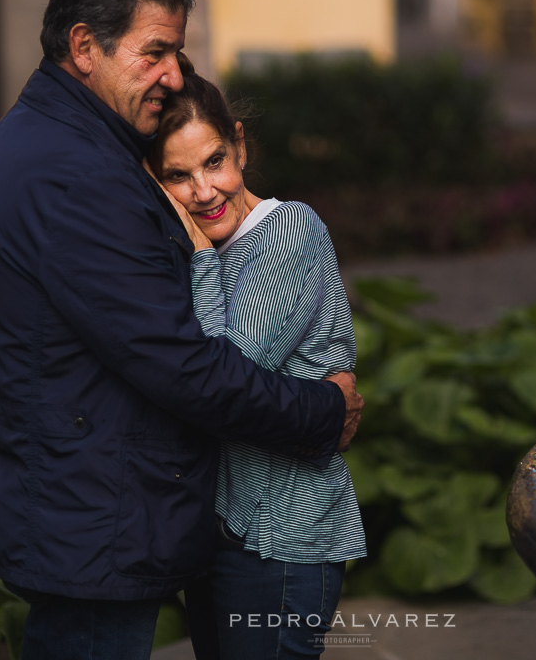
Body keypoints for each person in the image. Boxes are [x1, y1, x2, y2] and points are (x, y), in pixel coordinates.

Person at [0, 0, 362, 660]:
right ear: (84, 45)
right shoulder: (77, 173)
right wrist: (324, 412)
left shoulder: (35, 142)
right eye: (155, 53)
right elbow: (182, 365)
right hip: (94, 517)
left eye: (177, 53)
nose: (174, 74)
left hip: (79, 506)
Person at [147, 75, 365, 659]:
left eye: (214, 161)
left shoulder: (289, 230)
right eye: (177, 175)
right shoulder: (200, 249)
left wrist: (196, 250)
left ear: (239, 146)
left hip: (285, 540)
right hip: (218, 537)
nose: (203, 190)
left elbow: (226, 374)